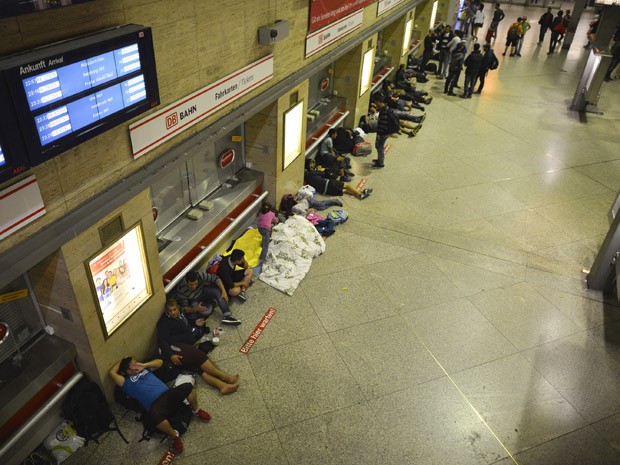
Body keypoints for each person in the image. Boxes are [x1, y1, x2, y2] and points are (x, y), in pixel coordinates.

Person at [109, 357, 212, 453]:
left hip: (168, 395)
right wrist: (123, 359)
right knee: (154, 416)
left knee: (188, 387)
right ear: (127, 370)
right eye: (133, 364)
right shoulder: (126, 382)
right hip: (156, 405)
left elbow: (160, 362)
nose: (137, 364)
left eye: (136, 362)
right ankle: (175, 436)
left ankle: (197, 411)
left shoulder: (145, 370)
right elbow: (111, 372)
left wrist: (144, 365)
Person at [157, 298, 240, 394]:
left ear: (178, 307)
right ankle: (224, 377)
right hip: (173, 347)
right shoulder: (164, 322)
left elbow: (185, 323)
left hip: (185, 343)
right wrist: (171, 355)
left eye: (174, 309)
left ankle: (222, 386)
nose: (172, 312)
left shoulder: (181, 312)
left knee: (198, 367)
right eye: (169, 310)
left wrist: (195, 323)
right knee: (199, 356)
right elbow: (162, 341)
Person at [174, 270, 240, 326]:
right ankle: (213, 303)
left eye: (196, 283)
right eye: (191, 284)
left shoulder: (200, 275)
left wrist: (224, 291)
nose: (194, 286)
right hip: (194, 300)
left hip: (203, 291)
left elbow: (216, 278)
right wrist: (195, 309)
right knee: (206, 312)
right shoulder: (181, 289)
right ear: (186, 281)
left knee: (217, 291)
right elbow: (184, 308)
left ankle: (227, 316)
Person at [304, 159, 372, 199]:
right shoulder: (312, 172)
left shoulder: (307, 176)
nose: (313, 164)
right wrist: (319, 170)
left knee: (345, 190)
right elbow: (324, 174)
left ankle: (362, 191)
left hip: (324, 191)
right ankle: (360, 195)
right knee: (347, 186)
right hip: (327, 184)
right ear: (309, 166)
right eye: (311, 163)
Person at [371, 95, 391, 168]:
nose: (376, 104)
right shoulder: (385, 108)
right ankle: (379, 160)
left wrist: (379, 134)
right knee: (379, 146)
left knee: (379, 147)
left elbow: (383, 124)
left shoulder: (384, 111)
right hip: (384, 132)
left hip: (383, 133)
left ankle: (380, 163)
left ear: (379, 101)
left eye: (376, 102)